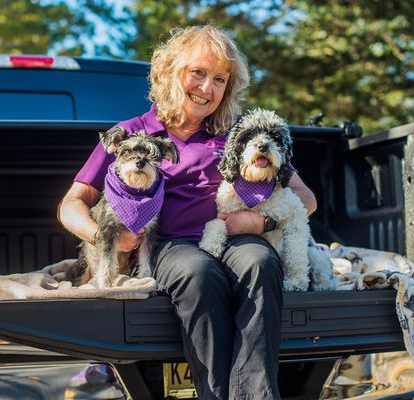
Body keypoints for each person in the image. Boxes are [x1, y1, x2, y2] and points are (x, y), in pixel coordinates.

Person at [58, 25, 317, 400]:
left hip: (234, 236)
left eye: (219, 79)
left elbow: (306, 199)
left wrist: (262, 221)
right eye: (198, 73)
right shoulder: (132, 134)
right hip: (171, 244)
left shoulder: (238, 135)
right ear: (170, 72)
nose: (207, 88)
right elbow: (71, 204)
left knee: (261, 262)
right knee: (199, 272)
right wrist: (105, 238)